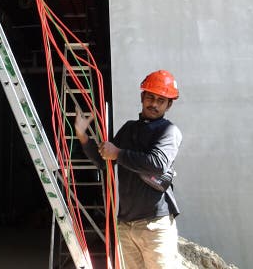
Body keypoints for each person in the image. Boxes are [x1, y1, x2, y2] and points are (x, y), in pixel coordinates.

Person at [75, 70, 183, 269]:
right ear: (142, 97)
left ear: (169, 104)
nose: (154, 103)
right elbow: (105, 162)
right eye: (150, 97)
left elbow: (158, 164)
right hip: (126, 223)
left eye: (161, 100)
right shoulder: (129, 129)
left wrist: (118, 153)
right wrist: (83, 136)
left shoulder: (168, 131)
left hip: (155, 223)